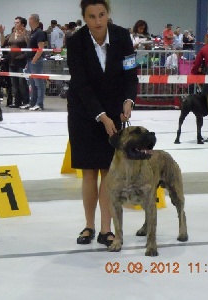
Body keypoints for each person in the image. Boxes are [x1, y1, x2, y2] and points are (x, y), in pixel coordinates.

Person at [67, 0, 137, 247]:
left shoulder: (122, 37)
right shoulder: (75, 42)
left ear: (108, 14)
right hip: (84, 114)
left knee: (109, 172)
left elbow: (131, 73)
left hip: (116, 112)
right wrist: (101, 116)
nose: (98, 21)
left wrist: (128, 101)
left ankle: (106, 229)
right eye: (92, 16)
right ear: (84, 18)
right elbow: (81, 84)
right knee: (88, 172)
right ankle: (89, 225)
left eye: (102, 15)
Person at [0, 16, 29, 108]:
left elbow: (29, 45)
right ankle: (17, 102)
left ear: (22, 24)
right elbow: (2, 43)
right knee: (14, 83)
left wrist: (24, 35)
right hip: (11, 61)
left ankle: (25, 101)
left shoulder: (27, 33)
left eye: (17, 22)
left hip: (21, 61)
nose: (15, 24)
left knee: (22, 82)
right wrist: (1, 33)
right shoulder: (11, 34)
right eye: (15, 22)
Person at [20, 14, 46, 111]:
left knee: (39, 83)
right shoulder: (32, 32)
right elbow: (30, 45)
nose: (28, 21)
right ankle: (32, 103)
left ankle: (39, 103)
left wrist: (35, 59)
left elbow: (41, 48)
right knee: (32, 83)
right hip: (30, 60)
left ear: (33, 20)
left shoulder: (39, 33)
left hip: (36, 61)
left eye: (30, 19)